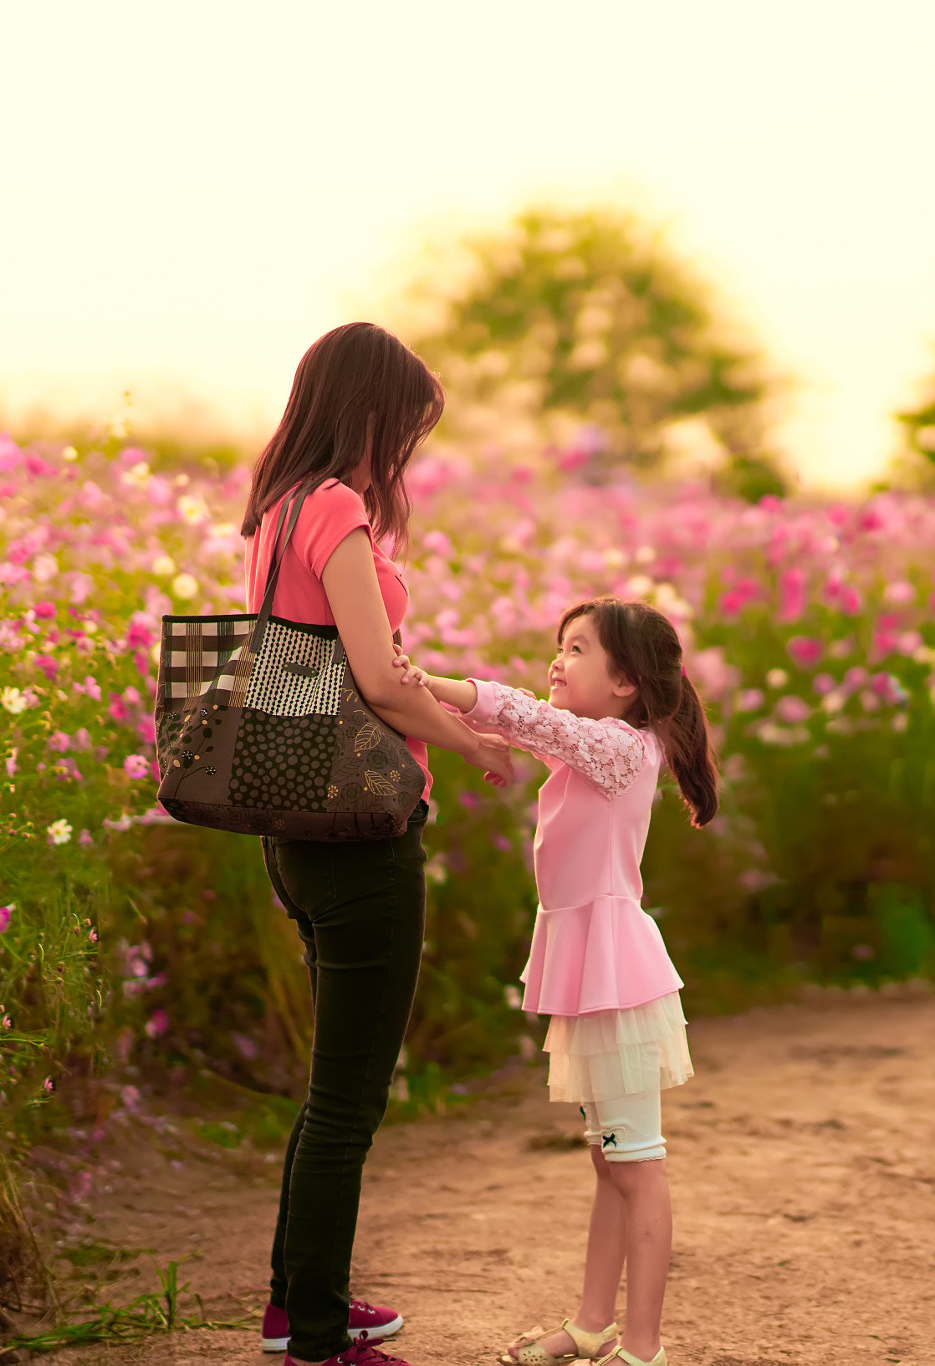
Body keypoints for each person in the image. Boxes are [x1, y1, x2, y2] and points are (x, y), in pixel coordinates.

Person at [241, 323, 518, 1366]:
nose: (405, 446)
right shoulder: (338, 506)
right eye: (403, 423)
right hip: (359, 830)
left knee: (332, 1089)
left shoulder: (275, 512)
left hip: (292, 824)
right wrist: (476, 743)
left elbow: (333, 666)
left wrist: (442, 702)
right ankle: (316, 1334)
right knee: (349, 1098)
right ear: (366, 412)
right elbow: (379, 678)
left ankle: (296, 1300)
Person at [391, 597, 718, 1366]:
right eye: (559, 646)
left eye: (577, 650)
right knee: (611, 1160)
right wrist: (461, 725)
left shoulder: (621, 748)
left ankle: (642, 1350)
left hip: (614, 972)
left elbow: (528, 718)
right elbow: (522, 725)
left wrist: (429, 680)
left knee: (638, 1164)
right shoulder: (600, 743)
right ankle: (592, 1324)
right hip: (589, 966)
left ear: (627, 682)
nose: (558, 662)